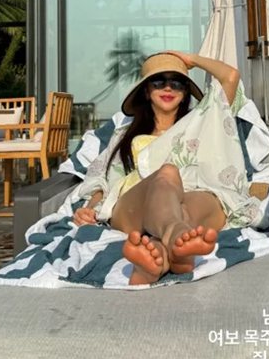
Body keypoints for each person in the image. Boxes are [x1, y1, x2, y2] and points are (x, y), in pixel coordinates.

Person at [72, 51, 250, 286]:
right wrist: (90, 208)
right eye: (158, 82)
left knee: (204, 201)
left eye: (177, 83)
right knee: (168, 173)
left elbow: (230, 76)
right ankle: (175, 235)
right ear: (146, 90)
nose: (168, 88)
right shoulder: (125, 135)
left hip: (191, 196)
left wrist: (192, 60)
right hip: (137, 204)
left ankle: (159, 258)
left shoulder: (201, 122)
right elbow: (103, 178)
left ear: (185, 92)